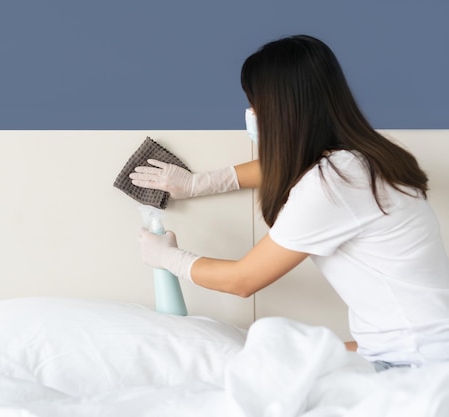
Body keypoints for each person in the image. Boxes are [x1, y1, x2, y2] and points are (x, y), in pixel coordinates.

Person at [130, 34, 449, 372]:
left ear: (283, 109)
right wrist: (199, 183)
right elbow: (286, 166)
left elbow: (243, 280)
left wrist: (169, 258)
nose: (251, 113)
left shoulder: (334, 184)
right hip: (413, 345)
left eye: (255, 103)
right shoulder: (361, 160)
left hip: (421, 362)